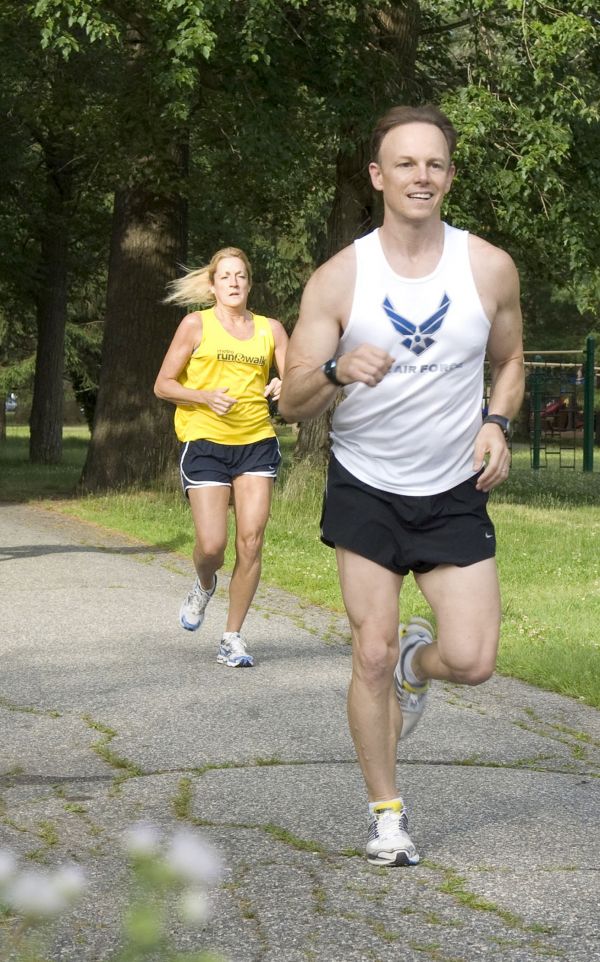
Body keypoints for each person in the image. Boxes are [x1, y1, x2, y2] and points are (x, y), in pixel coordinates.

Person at [278, 105, 524, 866]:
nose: (422, 176)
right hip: (368, 486)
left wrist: (497, 422)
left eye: (436, 164)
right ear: (379, 177)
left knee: (475, 660)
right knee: (372, 652)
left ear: (449, 176)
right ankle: (388, 817)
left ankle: (423, 668)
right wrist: (333, 368)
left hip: (453, 487)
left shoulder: (488, 267)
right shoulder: (342, 277)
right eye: (406, 164)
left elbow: (510, 363)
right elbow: (287, 401)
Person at [154, 247, 288, 668]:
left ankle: (232, 637)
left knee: (251, 541)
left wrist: (285, 384)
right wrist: (203, 396)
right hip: (205, 441)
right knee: (213, 545)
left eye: (241, 276)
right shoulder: (196, 324)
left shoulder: (271, 329)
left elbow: (296, 377)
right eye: (225, 276)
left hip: (256, 442)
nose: (233, 282)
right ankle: (204, 581)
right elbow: (163, 384)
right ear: (212, 285)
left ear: (249, 284)